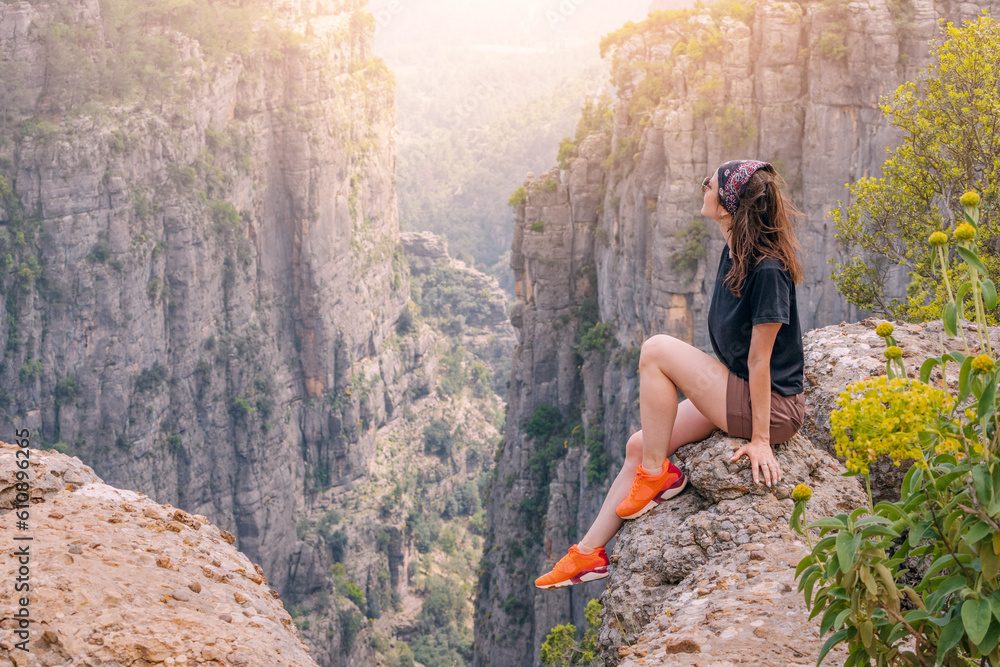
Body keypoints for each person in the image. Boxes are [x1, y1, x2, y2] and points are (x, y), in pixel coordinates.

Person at [535, 159, 806, 589]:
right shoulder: (733, 252)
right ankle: (588, 553)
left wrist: (759, 440)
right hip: (739, 390)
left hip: (772, 408)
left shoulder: (768, 269)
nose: (702, 189)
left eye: (709, 185)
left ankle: (659, 475)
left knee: (657, 349)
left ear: (729, 203)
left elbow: (760, 361)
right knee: (639, 444)